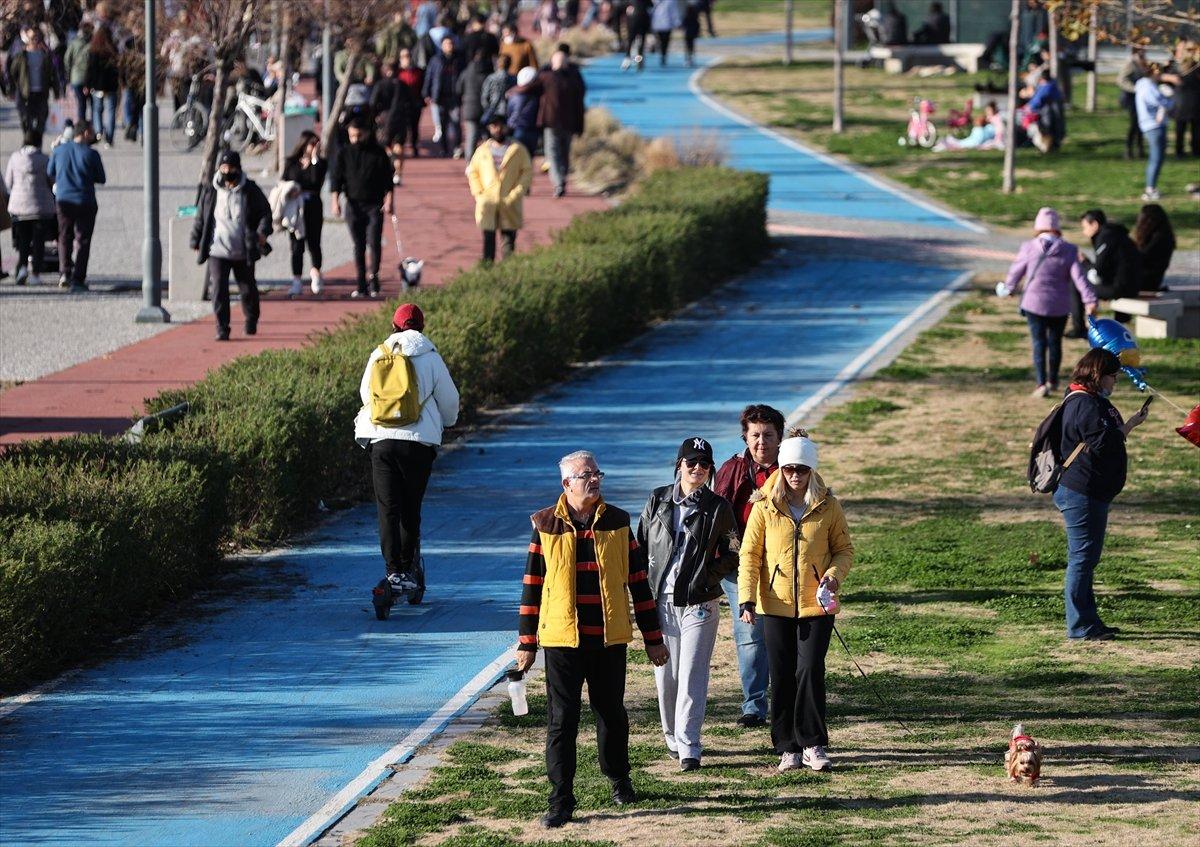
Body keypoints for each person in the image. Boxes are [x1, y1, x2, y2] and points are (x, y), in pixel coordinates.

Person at [514, 450, 669, 829]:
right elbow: (532, 586)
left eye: (597, 473)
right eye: (586, 475)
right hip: (562, 641)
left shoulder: (617, 521)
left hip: (608, 638)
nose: (594, 480)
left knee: (612, 713)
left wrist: (653, 638)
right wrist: (527, 642)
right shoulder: (545, 525)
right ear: (567, 484)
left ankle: (619, 779)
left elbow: (638, 583)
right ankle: (561, 799)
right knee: (561, 720)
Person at [738, 432, 853, 773]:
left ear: (811, 470)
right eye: (789, 469)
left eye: (801, 469)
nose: (795, 476)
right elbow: (750, 554)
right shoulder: (764, 506)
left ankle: (813, 743)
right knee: (782, 674)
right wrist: (747, 598)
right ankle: (787, 746)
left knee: (810, 670)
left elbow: (844, 550)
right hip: (775, 604)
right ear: (781, 468)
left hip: (817, 604)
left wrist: (832, 577)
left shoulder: (829, 506)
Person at [637, 437, 738, 771]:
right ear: (679, 464)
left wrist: (707, 577)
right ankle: (671, 737)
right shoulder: (658, 499)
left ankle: (689, 745)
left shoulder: (718, 507)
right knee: (666, 676)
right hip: (661, 601)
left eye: (704, 464)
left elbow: (734, 552)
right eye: (691, 462)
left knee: (692, 673)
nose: (697, 469)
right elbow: (640, 546)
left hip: (699, 602)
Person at [354, 303, 460, 612]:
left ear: (394, 326)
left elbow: (365, 394)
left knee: (388, 508)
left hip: (381, 441)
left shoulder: (378, 354)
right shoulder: (431, 356)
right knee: (410, 508)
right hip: (417, 445)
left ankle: (393, 572)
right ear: (422, 327)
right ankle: (407, 571)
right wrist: (446, 421)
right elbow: (450, 401)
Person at [1054, 349, 1149, 641]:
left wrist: (1129, 424)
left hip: (1089, 492)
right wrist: (1122, 428)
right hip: (1081, 492)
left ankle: (1089, 621)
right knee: (1082, 559)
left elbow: (1105, 438)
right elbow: (1103, 443)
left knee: (1086, 558)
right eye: (1113, 376)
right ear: (1098, 375)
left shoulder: (1088, 401)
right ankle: (1080, 627)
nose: (1115, 382)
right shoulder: (1085, 404)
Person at [714, 403, 783, 728]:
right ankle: (754, 706)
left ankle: (788, 701)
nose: (761, 442)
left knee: (783, 634)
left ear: (780, 437)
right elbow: (716, 515)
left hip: (784, 564)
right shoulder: (732, 470)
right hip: (740, 565)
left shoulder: (793, 469)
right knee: (749, 635)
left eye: (768, 435)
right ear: (745, 437)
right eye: (755, 435)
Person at [999, 207, 1097, 396]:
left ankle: (1040, 383)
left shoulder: (1029, 247)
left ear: (1038, 227)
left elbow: (1016, 271)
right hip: (1059, 305)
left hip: (1033, 303)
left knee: (1038, 342)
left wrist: (1009, 287)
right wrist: (1090, 300)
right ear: (1057, 227)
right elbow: (1080, 279)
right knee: (1055, 342)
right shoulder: (1069, 250)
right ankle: (1053, 380)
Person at [190, 150, 271, 340]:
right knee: (218, 288)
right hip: (217, 249)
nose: (227, 172)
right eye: (224, 168)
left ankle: (251, 319)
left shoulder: (250, 190)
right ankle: (222, 327)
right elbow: (201, 216)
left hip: (243, 249)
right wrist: (195, 238)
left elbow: (265, 213)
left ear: (238, 169)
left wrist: (262, 232)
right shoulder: (210, 190)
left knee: (247, 288)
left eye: (231, 168)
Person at [508, 45, 585, 198]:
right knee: (564, 152)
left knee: (553, 153)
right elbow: (581, 100)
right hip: (570, 122)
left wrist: (513, 91)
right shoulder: (575, 79)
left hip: (551, 122)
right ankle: (562, 178)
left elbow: (527, 88)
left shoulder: (547, 77)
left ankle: (558, 183)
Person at [331, 119, 393, 298]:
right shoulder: (344, 153)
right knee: (358, 244)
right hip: (353, 205)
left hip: (374, 205)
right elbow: (336, 180)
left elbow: (388, 180)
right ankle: (360, 282)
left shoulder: (378, 153)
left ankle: (374, 278)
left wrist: (389, 200)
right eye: (352, 136)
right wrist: (335, 201)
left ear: (366, 133)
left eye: (359, 135)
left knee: (374, 242)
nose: (355, 139)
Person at [46, 120, 106, 293]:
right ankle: (78, 279)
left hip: (64, 200)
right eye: (92, 132)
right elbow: (101, 178)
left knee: (64, 236)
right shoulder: (92, 154)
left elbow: (50, 172)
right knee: (83, 240)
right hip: (85, 200)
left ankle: (64, 273)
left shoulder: (59, 151)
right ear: (85, 133)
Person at [467, 114, 533, 264]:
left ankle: (507, 271)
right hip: (488, 202)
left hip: (509, 201)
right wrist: (479, 193)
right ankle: (487, 269)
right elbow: (473, 172)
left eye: (500, 126)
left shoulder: (518, 149)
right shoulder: (482, 150)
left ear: (506, 127)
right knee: (488, 241)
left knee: (508, 242)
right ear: (489, 128)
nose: (498, 129)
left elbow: (527, 172)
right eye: (494, 126)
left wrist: (516, 193)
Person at [4, 129, 56, 286]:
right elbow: (52, 182)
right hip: (41, 207)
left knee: (23, 240)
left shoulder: (14, 158)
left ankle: (22, 269)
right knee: (39, 242)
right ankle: (35, 274)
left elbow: (8, 183)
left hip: (19, 207)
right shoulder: (45, 159)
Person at [282, 131, 327, 296]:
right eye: (311, 144)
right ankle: (296, 280)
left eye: (316, 144)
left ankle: (316, 274)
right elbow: (284, 181)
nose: (314, 147)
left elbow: (316, 182)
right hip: (295, 209)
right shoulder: (291, 163)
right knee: (296, 245)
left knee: (314, 243)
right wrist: (291, 190)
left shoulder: (320, 163)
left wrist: (314, 159)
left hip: (313, 207)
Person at [1078, 210, 1141, 324]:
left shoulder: (1105, 237)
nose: (1084, 232)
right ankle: (1122, 322)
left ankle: (1079, 327)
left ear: (1094, 224)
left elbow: (1098, 272)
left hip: (1121, 288)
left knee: (1078, 285)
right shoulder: (1116, 234)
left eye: (1085, 227)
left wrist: (1084, 262)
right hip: (1132, 286)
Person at [1134, 64, 1179, 201]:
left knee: (1157, 158)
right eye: (1158, 72)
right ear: (1151, 73)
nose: (1160, 75)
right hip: (1153, 125)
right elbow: (1160, 102)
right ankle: (1150, 189)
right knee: (1156, 158)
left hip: (1152, 124)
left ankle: (1151, 187)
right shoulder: (1148, 86)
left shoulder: (1146, 85)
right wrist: (1169, 97)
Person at [8, 23, 61, 135]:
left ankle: (37, 141)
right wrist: (12, 89)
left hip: (41, 92)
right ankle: (28, 139)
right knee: (26, 120)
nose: (35, 40)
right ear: (27, 39)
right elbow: (12, 73)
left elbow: (53, 74)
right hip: (26, 93)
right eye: (33, 37)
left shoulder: (46, 55)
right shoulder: (21, 56)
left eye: (37, 37)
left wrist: (57, 91)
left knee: (41, 120)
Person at [423, 35, 465, 158]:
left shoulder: (459, 60)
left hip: (454, 96)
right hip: (440, 96)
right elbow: (429, 76)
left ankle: (457, 147)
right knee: (443, 124)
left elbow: (463, 77)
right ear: (442, 46)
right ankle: (444, 148)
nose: (449, 46)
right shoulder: (436, 60)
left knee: (456, 122)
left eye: (451, 44)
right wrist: (426, 92)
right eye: (446, 44)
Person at [85, 23, 120, 147]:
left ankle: (99, 131)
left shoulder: (93, 51)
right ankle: (109, 138)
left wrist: (87, 84)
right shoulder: (113, 50)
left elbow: (90, 70)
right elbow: (117, 69)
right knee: (110, 111)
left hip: (97, 86)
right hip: (111, 86)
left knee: (97, 110)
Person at [1132, 204, 1175, 293]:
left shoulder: (1161, 237)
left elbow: (1143, 257)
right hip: (1147, 277)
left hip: (1148, 279)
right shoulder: (1157, 235)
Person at [456, 48, 490, 156]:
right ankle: (487, 159)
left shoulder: (466, 72)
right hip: (485, 108)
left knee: (471, 136)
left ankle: (469, 161)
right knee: (487, 137)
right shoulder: (488, 74)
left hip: (469, 107)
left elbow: (458, 89)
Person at [1116, 48, 1146, 160]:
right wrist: (1135, 89)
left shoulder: (1142, 62)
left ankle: (1140, 149)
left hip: (1140, 98)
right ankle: (1128, 149)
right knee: (1134, 123)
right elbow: (1121, 79)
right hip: (1131, 98)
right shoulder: (1130, 63)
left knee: (1140, 123)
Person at [1172, 39, 1199, 158]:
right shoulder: (1178, 66)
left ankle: (1195, 150)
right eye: (1190, 50)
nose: (1192, 52)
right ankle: (1179, 151)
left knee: (1196, 129)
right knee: (1180, 129)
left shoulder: (1197, 66)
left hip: (1195, 101)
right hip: (1182, 102)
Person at [506, 66, 541, 156]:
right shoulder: (537, 95)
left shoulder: (512, 95)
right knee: (528, 159)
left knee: (516, 158)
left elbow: (509, 112)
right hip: (532, 130)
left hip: (516, 129)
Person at [396, 48, 425, 157]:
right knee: (402, 127)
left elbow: (423, 86)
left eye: (408, 56)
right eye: (403, 57)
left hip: (415, 103)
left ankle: (414, 146)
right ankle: (401, 147)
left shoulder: (418, 71)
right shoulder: (397, 72)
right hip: (401, 104)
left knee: (414, 126)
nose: (406, 59)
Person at [63, 23, 92, 125]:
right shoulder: (92, 43)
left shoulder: (74, 43)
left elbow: (67, 59)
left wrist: (69, 72)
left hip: (76, 77)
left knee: (81, 102)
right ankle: (93, 126)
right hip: (90, 77)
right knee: (93, 103)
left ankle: (81, 124)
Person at [481, 53, 516, 126]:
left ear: (497, 64)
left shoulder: (491, 78)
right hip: (509, 111)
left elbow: (484, 97)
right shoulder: (514, 79)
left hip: (494, 111)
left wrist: (488, 108)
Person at [651, 0, 682, 67]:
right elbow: (650, 10)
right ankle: (661, 53)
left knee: (665, 41)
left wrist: (677, 22)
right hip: (656, 24)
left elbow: (674, 12)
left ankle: (663, 55)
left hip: (667, 24)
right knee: (659, 40)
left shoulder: (671, 1)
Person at [622, 0, 651, 71]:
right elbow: (623, 5)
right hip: (634, 21)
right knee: (632, 41)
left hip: (641, 21)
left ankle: (638, 61)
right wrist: (628, 7)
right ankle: (628, 59)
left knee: (638, 42)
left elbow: (650, 5)